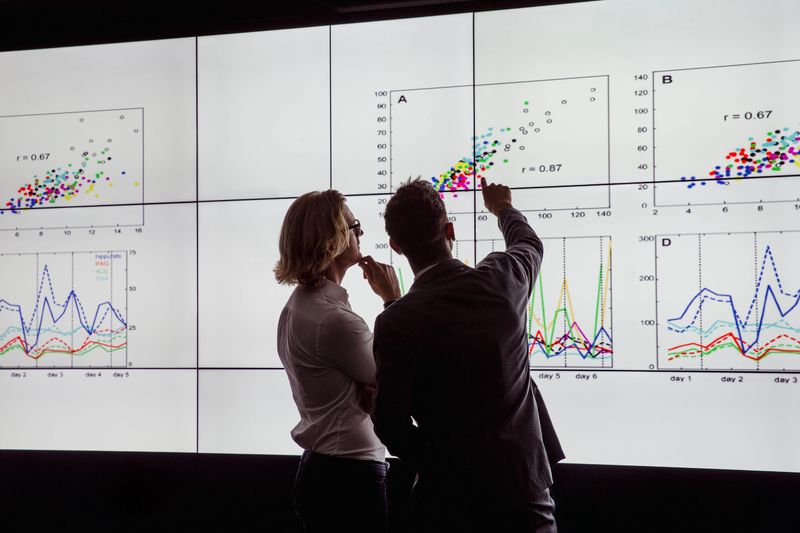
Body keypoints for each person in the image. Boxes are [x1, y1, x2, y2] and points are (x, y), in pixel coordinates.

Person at [361, 177, 565, 532]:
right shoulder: (502, 278)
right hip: (523, 495)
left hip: (449, 503)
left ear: (395, 246)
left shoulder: (397, 321)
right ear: (449, 230)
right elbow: (529, 242)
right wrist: (502, 208)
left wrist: (446, 464)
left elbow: (390, 425)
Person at [274, 189, 400, 533]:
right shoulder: (334, 321)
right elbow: (401, 379)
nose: (360, 232)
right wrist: (393, 300)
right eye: (352, 226)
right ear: (330, 240)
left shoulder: (299, 307)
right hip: (350, 478)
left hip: (324, 471)